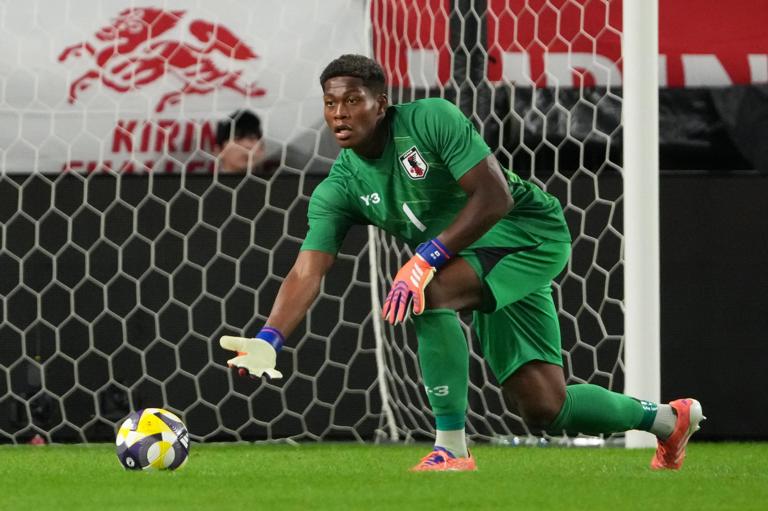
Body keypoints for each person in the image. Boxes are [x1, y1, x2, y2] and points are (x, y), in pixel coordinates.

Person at [220, 54, 704, 471]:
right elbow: (308, 269)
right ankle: (668, 420)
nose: (340, 114)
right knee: (545, 408)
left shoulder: (431, 119)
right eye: (331, 103)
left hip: (524, 234)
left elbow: (494, 197)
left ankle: (450, 448)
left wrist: (424, 259)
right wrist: (270, 337)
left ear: (381, 103)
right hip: (475, 261)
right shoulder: (339, 187)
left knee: (423, 295)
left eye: (353, 101)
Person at [213, 109, 266, 173]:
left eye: (252, 138)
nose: (247, 145)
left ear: (262, 150)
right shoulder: (205, 183)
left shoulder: (276, 182)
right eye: (237, 139)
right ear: (218, 151)